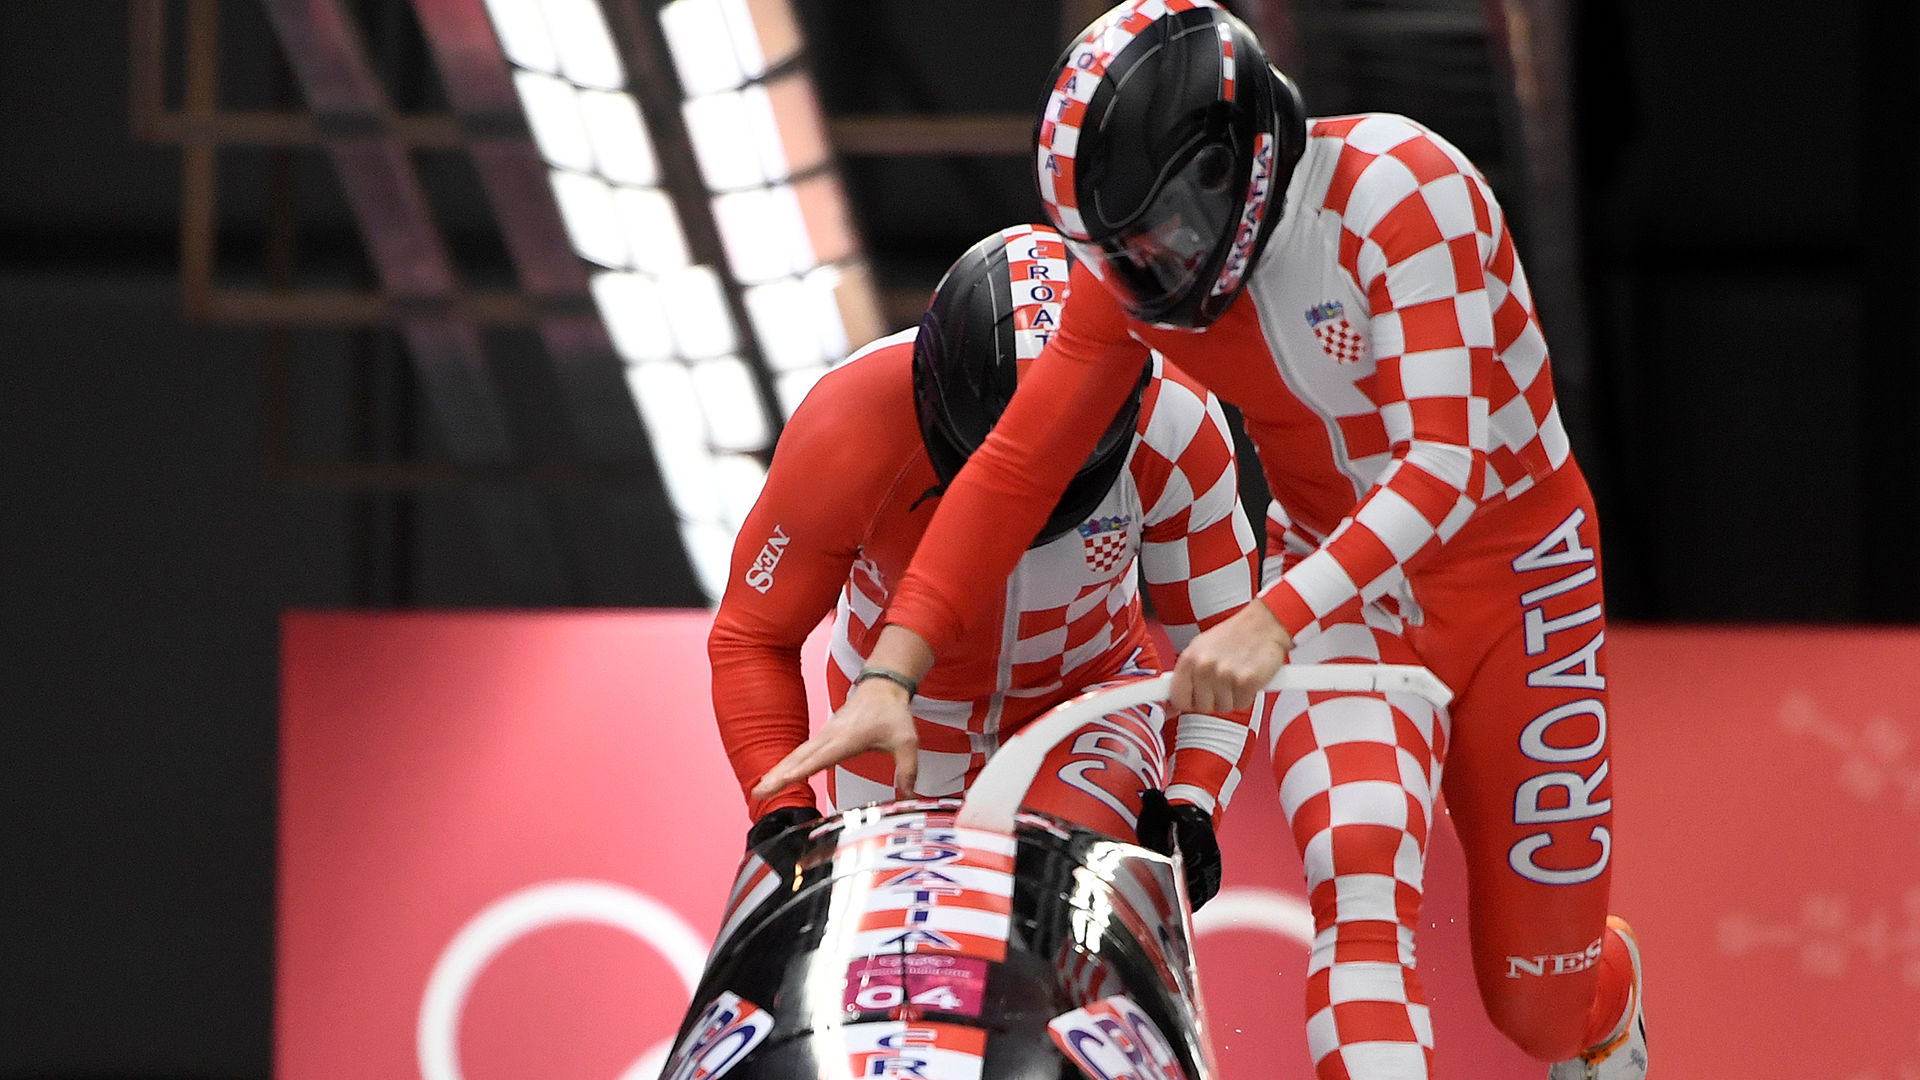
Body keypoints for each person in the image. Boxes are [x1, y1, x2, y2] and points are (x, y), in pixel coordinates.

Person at [751, 4, 1648, 1080]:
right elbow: (1015, 468)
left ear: (1234, 162)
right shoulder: (1131, 286)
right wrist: (889, 673)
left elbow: (1443, 467)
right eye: (1112, 251)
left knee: (1539, 1008)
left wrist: (1271, 618)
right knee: (1360, 888)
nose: (1144, 273)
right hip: (1339, 591)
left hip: (1516, 581)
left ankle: (1601, 993)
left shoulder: (1405, 190)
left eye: (1156, 231)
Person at [710, 223, 1266, 906]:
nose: (1024, 507)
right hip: (897, 717)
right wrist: (783, 813)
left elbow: (1224, 640)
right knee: (903, 953)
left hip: (1085, 706)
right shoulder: (847, 426)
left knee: (1053, 911)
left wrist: (1193, 797)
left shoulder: (1178, 421)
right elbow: (753, 636)